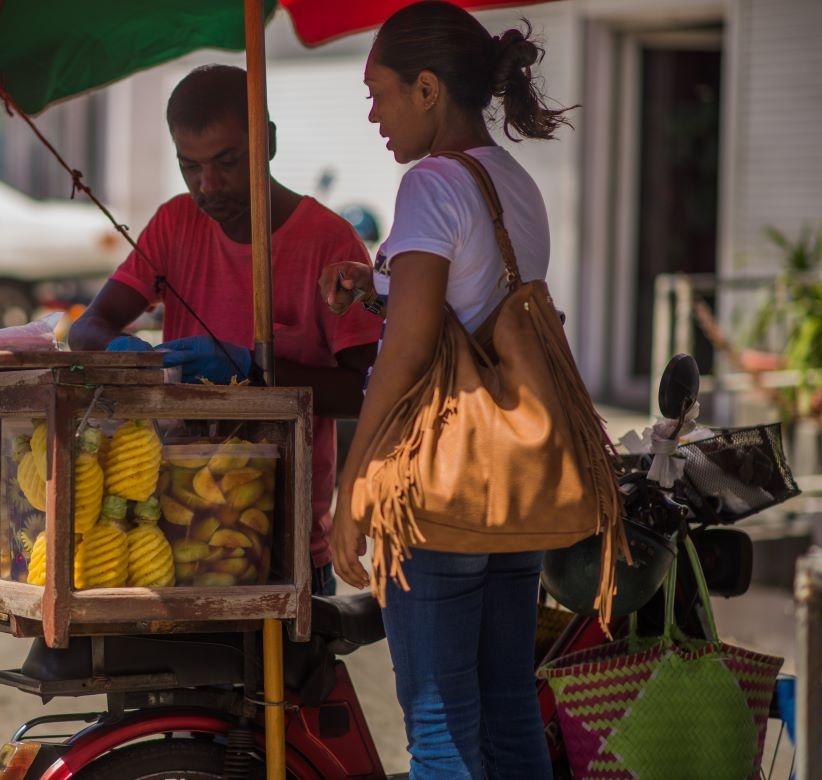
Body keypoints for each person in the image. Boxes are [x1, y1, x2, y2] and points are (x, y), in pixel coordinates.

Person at [323, 3, 573, 777]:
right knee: (507, 709)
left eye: (380, 93)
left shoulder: (431, 184)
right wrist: (379, 286)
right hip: (511, 487)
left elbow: (408, 352)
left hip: (438, 488)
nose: (372, 114)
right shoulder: (513, 181)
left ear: (428, 89)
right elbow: (473, 310)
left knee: (437, 725)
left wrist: (354, 482)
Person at [69, 64, 383, 596]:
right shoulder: (175, 223)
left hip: (282, 539)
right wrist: (126, 352)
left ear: (269, 142)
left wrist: (254, 371)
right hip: (167, 529)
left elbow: (364, 391)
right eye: (189, 167)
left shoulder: (331, 243)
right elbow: (87, 329)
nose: (207, 186)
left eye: (227, 162)